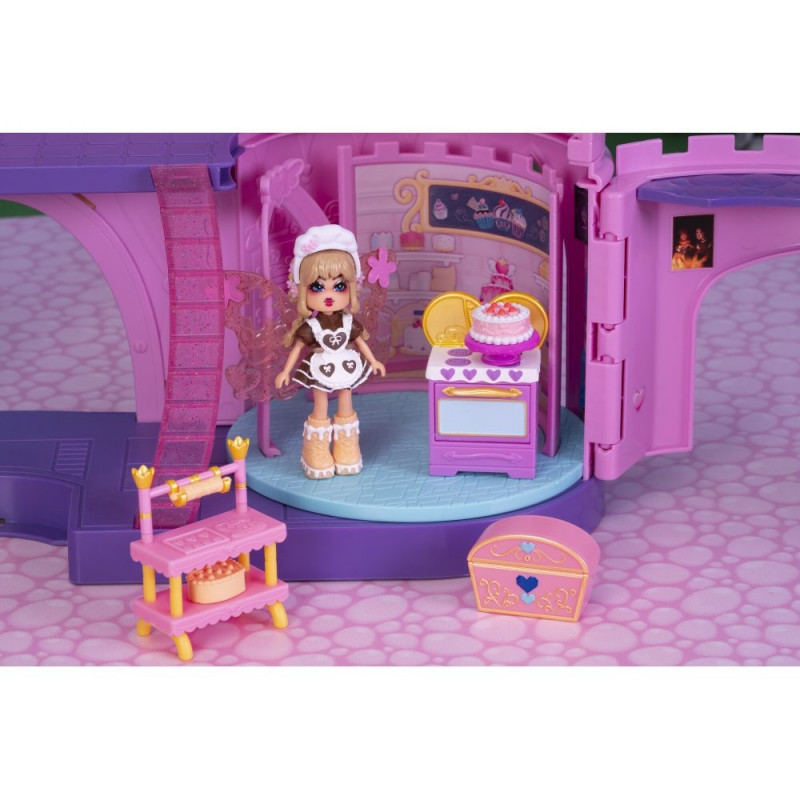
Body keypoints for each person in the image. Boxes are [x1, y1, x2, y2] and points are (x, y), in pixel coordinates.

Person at [276, 224, 386, 479]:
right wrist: (285, 371)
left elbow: (360, 342)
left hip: (345, 363)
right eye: (317, 287)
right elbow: (298, 347)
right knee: (321, 403)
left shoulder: (348, 322)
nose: (329, 295)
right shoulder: (311, 326)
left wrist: (373, 361)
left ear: (351, 288)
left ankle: (347, 445)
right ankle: (315, 450)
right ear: (302, 290)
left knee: (346, 400)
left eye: (339, 286)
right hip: (321, 365)